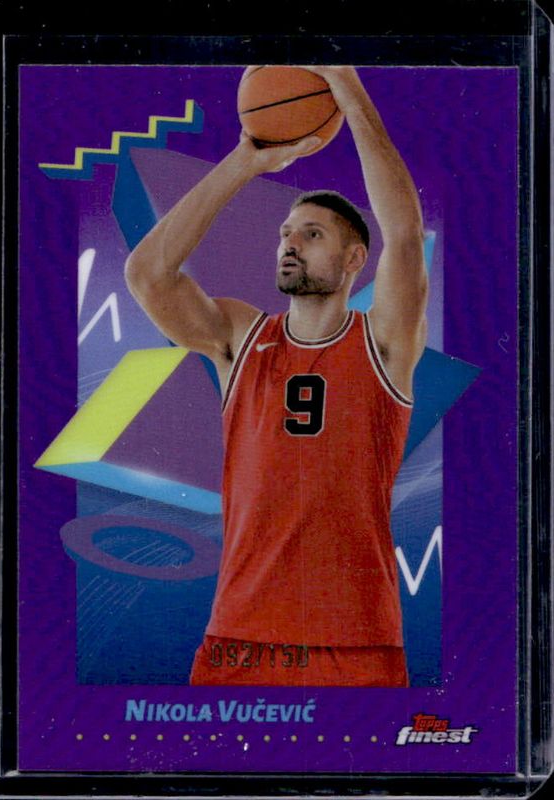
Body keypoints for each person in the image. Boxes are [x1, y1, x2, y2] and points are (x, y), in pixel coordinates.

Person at [125, 66, 427, 686]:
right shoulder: (240, 338)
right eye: (286, 233)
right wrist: (244, 162)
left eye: (312, 235)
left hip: (357, 640)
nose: (290, 244)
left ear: (353, 259)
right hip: (238, 638)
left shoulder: (383, 343)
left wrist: (347, 89)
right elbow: (148, 275)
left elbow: (402, 235)